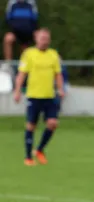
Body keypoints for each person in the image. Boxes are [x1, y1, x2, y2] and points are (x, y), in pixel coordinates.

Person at [13, 28, 63, 166]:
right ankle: (28, 157)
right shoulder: (29, 54)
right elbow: (22, 74)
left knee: (53, 124)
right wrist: (17, 90)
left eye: (47, 38)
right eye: (42, 38)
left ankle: (39, 150)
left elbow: (58, 74)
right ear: (36, 39)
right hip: (34, 96)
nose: (44, 41)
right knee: (31, 126)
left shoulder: (53, 55)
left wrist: (60, 89)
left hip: (49, 96)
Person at [3, 0, 38, 65]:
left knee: (25, 49)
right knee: (8, 38)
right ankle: (8, 64)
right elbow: (8, 18)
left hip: (28, 32)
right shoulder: (12, 3)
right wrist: (16, 28)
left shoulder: (31, 3)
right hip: (15, 32)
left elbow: (34, 19)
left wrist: (30, 30)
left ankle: (24, 67)